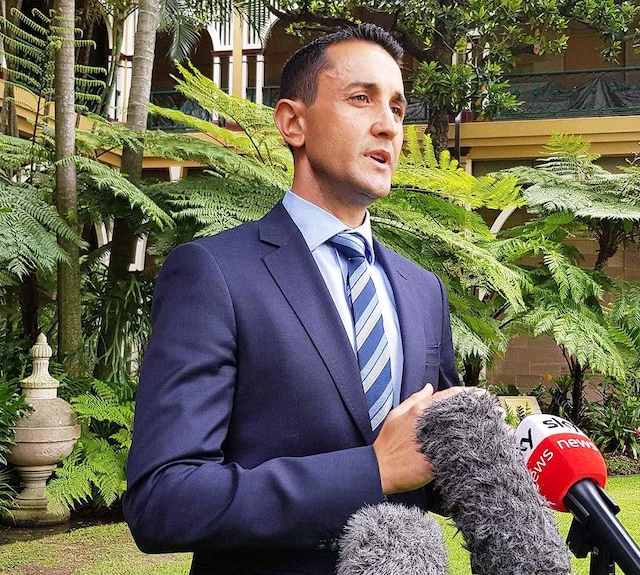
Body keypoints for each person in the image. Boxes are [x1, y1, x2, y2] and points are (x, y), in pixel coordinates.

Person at [123, 24, 462, 575]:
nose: (388, 126)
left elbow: (431, 466)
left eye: (398, 109)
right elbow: (164, 500)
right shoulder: (215, 274)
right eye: (361, 98)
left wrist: (508, 457)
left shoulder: (423, 289)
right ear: (292, 122)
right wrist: (371, 470)